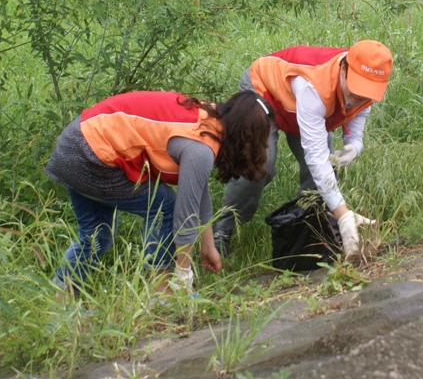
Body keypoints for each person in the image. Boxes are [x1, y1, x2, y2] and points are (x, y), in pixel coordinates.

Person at [45, 90, 274, 296]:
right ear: (249, 137)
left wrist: (208, 245)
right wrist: (183, 275)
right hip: (90, 155)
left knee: (96, 234)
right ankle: (161, 294)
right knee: (165, 208)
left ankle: (61, 298)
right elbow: (184, 216)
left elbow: (197, 191)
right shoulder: (200, 148)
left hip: (75, 142)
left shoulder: (206, 121)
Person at [213, 40, 392, 260]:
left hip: (300, 107)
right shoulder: (315, 87)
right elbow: (316, 158)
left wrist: (354, 147)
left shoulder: (366, 88)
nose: (360, 97)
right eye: (356, 89)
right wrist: (343, 215)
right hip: (265, 93)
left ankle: (304, 233)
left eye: (367, 92)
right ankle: (222, 231)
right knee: (260, 165)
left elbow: (356, 122)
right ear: (344, 69)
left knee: (320, 177)